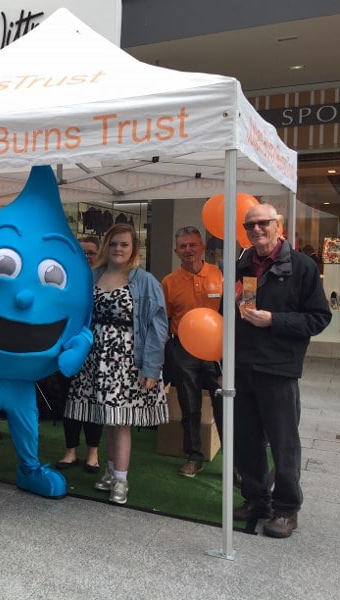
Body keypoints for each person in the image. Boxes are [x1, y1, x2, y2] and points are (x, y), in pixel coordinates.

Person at [232, 203, 330, 538]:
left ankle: (287, 509)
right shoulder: (242, 264)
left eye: (263, 224)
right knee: (246, 440)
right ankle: (257, 499)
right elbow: (230, 313)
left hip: (278, 369)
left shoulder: (302, 266)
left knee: (283, 443)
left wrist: (274, 320)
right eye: (250, 226)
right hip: (242, 365)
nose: (256, 230)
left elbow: (319, 318)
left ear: (278, 225)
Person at [64, 223, 168, 505]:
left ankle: (121, 479)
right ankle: (111, 472)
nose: (118, 249)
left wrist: (151, 368)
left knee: (120, 423)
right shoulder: (93, 275)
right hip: (95, 360)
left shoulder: (145, 281)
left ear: (134, 248)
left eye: (124, 244)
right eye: (113, 244)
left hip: (126, 363)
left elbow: (158, 327)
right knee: (108, 420)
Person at [161, 226, 223, 478]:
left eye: (193, 245)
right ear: (177, 251)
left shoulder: (220, 276)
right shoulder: (169, 282)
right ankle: (194, 455)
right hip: (183, 351)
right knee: (189, 405)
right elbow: (164, 319)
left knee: (225, 403)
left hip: (216, 351)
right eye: (183, 246)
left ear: (203, 248)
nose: (188, 250)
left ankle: (235, 462)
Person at [55, 235, 104, 472]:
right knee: (69, 401)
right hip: (69, 349)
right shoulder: (67, 278)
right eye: (82, 252)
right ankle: (71, 450)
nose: (86, 256)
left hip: (97, 351)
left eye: (91, 252)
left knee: (95, 401)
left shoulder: (105, 280)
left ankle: (93, 453)